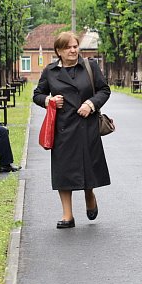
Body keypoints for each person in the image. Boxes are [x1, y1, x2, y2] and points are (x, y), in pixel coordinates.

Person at [33, 31, 111, 229]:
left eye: (75, 46)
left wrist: (91, 104)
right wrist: (49, 100)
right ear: (59, 51)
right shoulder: (50, 71)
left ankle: (89, 194)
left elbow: (104, 90)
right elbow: (37, 94)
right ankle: (68, 215)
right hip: (63, 128)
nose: (73, 50)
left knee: (88, 166)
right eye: (68, 47)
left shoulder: (90, 66)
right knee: (63, 171)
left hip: (87, 126)